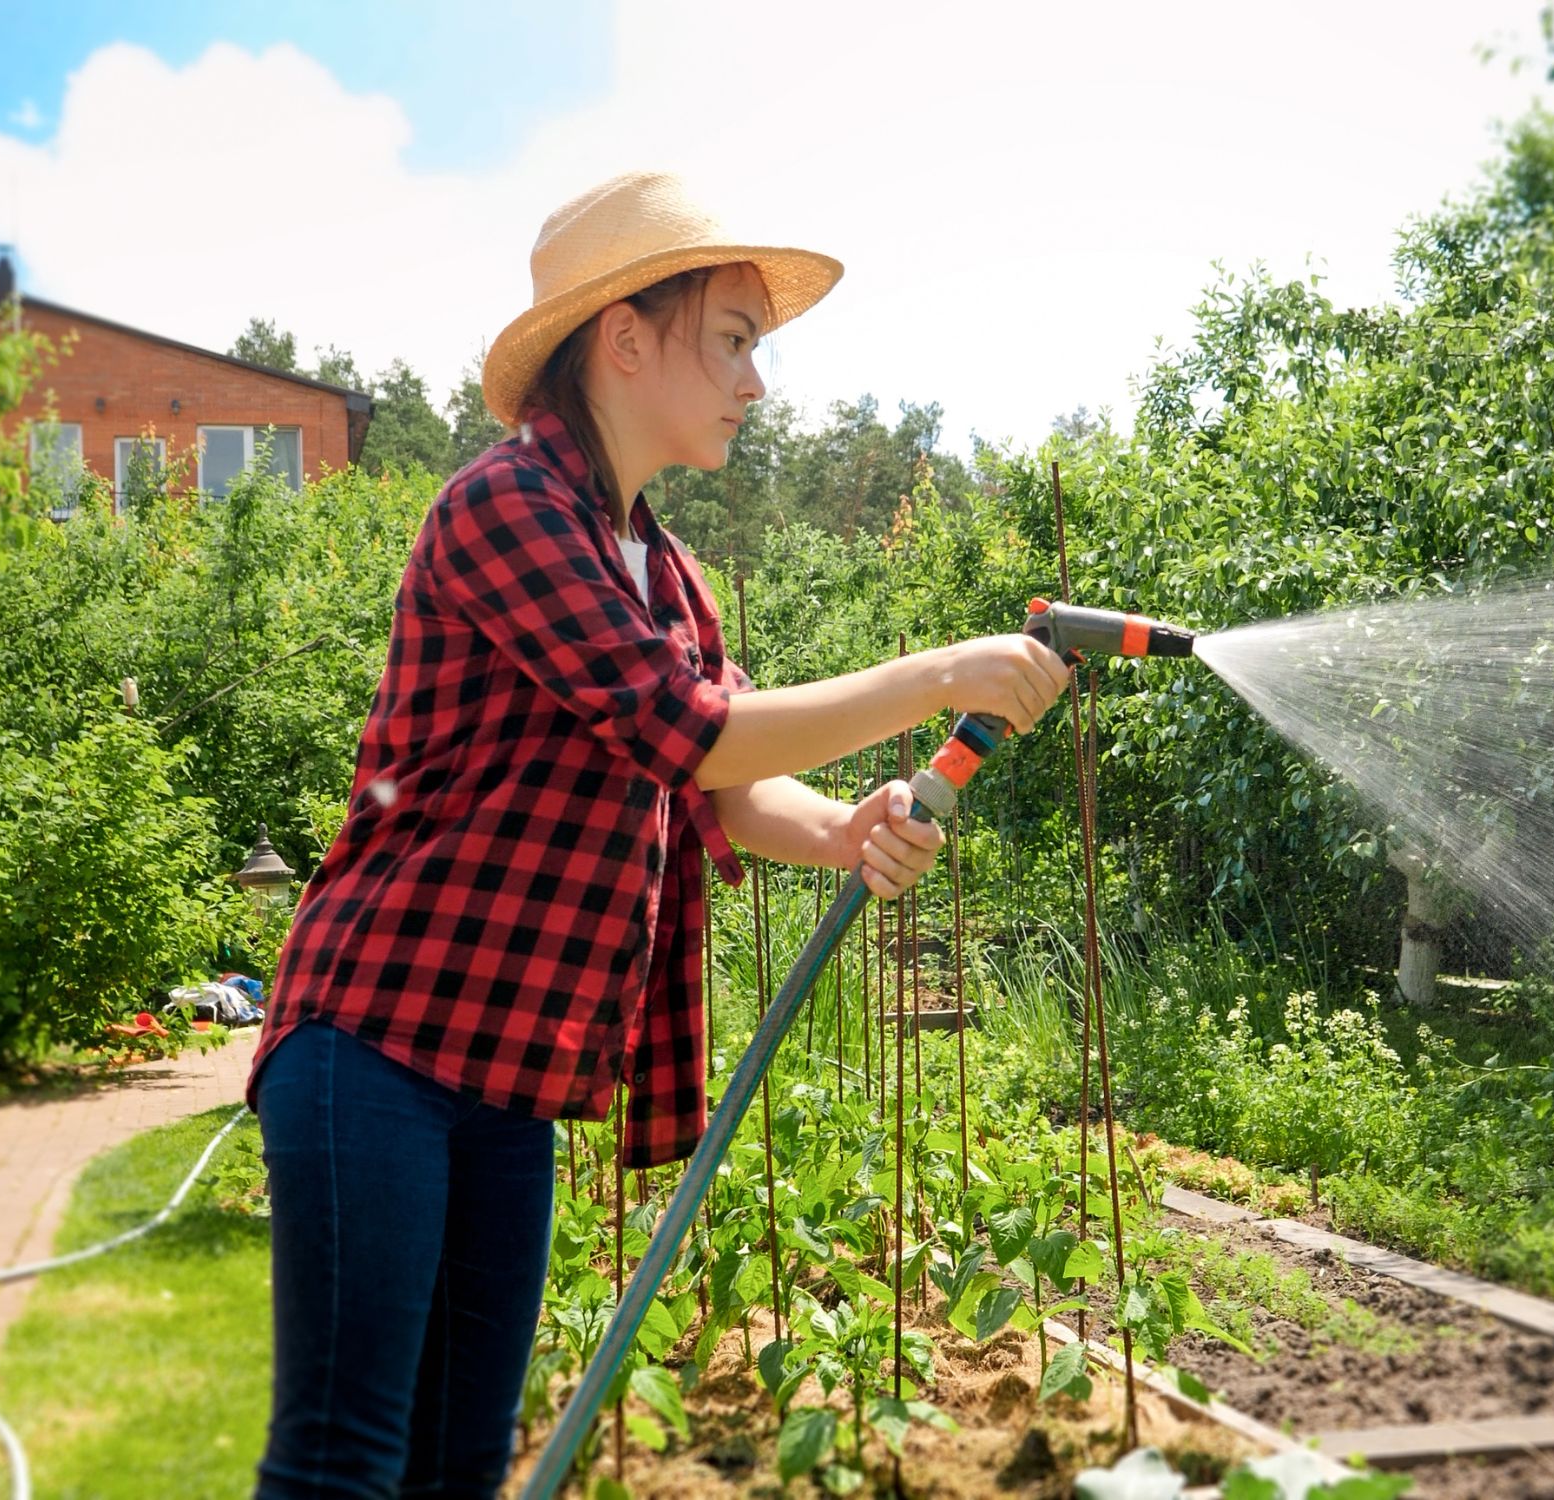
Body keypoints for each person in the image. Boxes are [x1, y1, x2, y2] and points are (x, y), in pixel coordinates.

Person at [243, 171, 1070, 1498]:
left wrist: (844, 826)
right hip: (376, 1047)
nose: (757, 383)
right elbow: (685, 729)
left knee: (459, 1466)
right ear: (624, 339)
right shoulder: (502, 508)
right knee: (346, 1464)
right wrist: (933, 676)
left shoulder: (667, 575)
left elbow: (726, 791)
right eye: (735, 341)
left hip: (505, 1077)